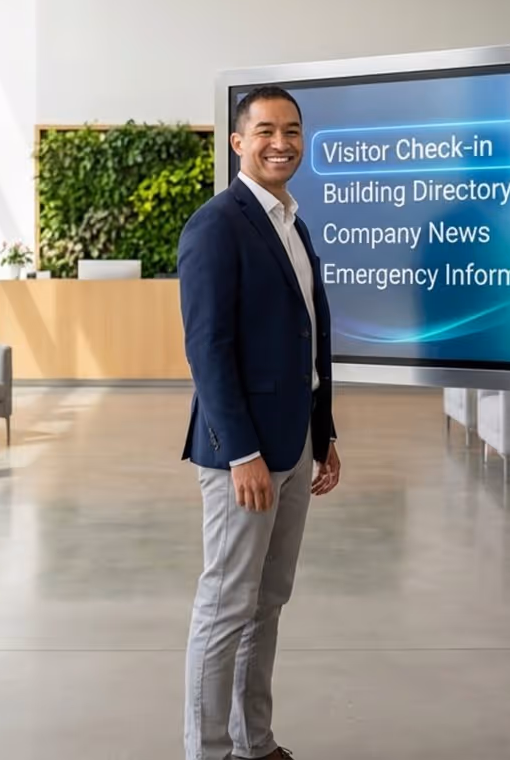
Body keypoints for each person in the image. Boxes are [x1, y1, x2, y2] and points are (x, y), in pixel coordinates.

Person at [178, 86, 341, 760]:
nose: (283, 142)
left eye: (293, 130)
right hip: (242, 452)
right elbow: (207, 349)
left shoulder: (291, 221)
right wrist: (241, 450)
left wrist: (323, 433)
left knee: (267, 600)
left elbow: (307, 336)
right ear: (237, 141)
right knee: (225, 605)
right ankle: (209, 750)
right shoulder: (218, 225)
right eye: (266, 130)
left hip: (295, 441)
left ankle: (254, 741)